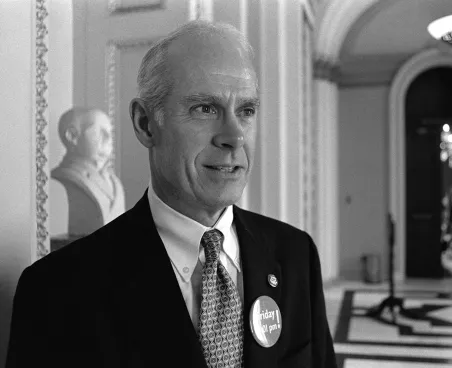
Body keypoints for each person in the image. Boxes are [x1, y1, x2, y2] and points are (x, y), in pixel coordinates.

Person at [6, 21, 337, 368]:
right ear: (146, 124)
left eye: (246, 111)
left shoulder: (296, 255)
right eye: (205, 109)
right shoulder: (56, 291)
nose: (234, 137)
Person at [51, 107, 125, 235]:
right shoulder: (62, 181)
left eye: (109, 132)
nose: (108, 138)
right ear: (72, 136)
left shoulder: (114, 182)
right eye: (99, 132)